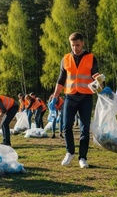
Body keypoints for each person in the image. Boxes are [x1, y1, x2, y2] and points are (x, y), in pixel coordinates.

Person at [49, 32, 100, 168]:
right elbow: (61, 79)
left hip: (86, 97)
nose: (75, 48)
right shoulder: (65, 59)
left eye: (77, 45)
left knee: (84, 128)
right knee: (66, 126)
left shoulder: (91, 58)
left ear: (82, 43)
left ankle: (82, 158)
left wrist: (102, 86)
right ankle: (69, 152)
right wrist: (55, 96)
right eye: (72, 45)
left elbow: (96, 75)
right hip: (70, 96)